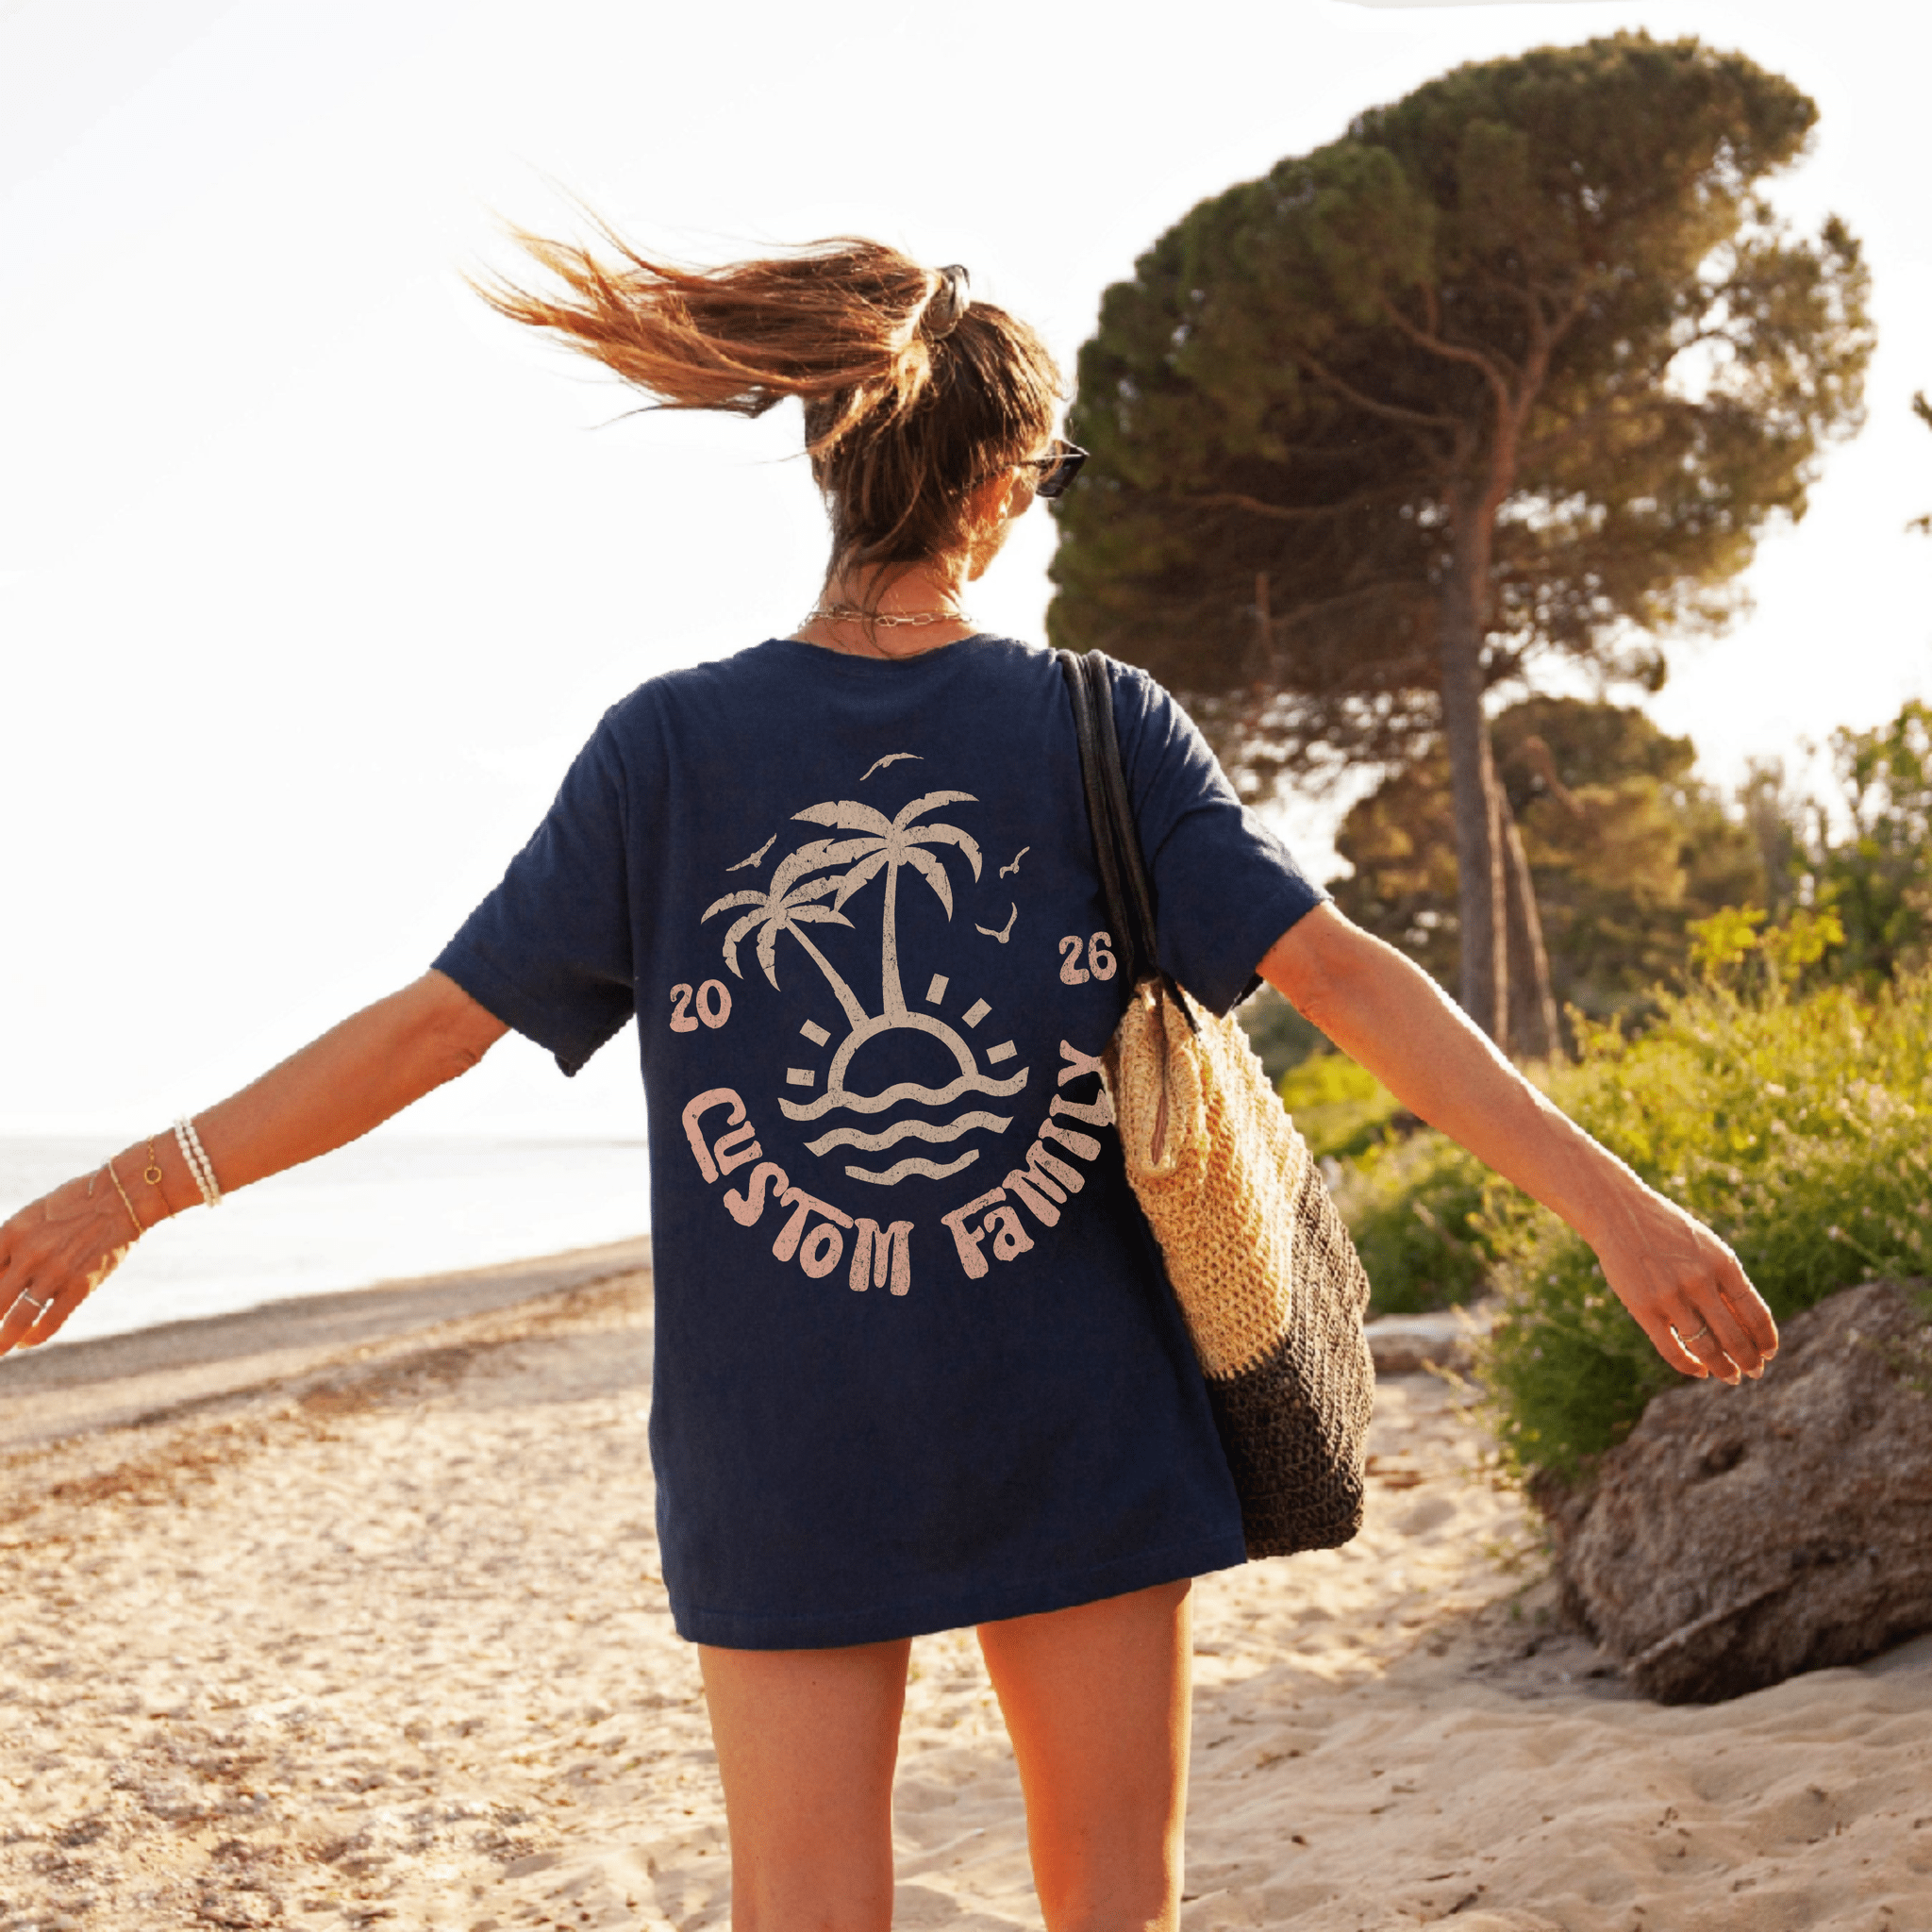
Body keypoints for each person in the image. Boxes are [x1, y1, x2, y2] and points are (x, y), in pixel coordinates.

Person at [0, 232, 1777, 1932]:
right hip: (1077, 1414)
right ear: (1002, 485)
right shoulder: (1100, 722)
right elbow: (1341, 973)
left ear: (831, 467)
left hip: (783, 1439)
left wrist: (123, 1195)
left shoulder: (667, 748)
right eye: (1048, 477)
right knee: (1115, 1905)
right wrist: (1615, 1210)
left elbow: (430, 1028)